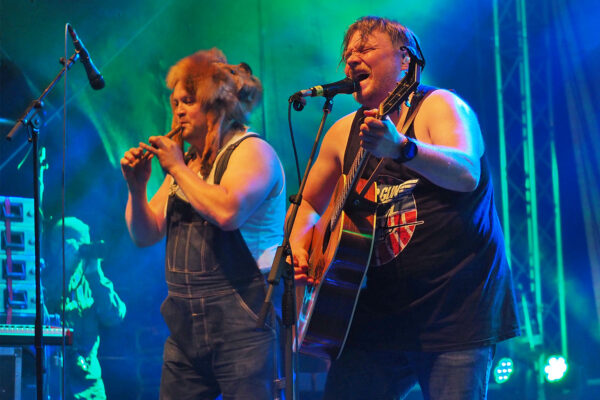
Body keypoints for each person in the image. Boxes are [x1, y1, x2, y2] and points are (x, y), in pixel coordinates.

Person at [290, 16, 521, 399]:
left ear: (406, 59)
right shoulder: (342, 131)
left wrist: (402, 149)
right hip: (379, 311)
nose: (351, 60)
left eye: (365, 49)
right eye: (347, 53)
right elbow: (307, 204)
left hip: (454, 310)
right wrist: (300, 245)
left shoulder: (440, 106)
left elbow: (465, 172)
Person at [120, 48, 286, 400]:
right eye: (175, 102)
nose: (177, 110)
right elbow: (145, 233)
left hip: (244, 326)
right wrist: (136, 186)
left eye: (188, 101)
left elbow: (228, 213)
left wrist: (177, 168)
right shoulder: (190, 163)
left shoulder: (251, 152)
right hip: (185, 331)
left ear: (215, 106)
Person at [43, 216, 126, 400]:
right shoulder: (42, 280)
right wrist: (64, 270)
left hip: (89, 388)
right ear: (57, 246)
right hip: (52, 385)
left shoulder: (91, 283)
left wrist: (95, 273)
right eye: (79, 245)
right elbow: (45, 303)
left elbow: (114, 317)